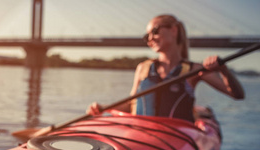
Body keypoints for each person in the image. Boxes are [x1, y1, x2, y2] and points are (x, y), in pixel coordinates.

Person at [87, 14, 245, 122]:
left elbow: (237, 95)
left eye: (154, 31)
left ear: (173, 30)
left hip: (178, 136)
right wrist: (104, 108)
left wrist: (224, 71)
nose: (150, 39)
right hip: (141, 131)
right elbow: (132, 104)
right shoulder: (143, 68)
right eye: (146, 36)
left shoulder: (195, 70)